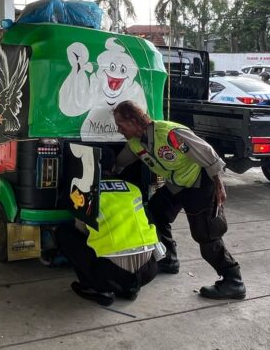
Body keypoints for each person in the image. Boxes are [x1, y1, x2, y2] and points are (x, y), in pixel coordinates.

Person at [111, 101, 246, 300]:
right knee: (156, 211)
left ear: (133, 121)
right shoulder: (135, 143)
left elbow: (206, 152)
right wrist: (107, 171)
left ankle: (233, 281)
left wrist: (218, 182)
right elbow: (120, 162)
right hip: (177, 184)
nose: (119, 130)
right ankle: (168, 259)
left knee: (206, 234)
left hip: (200, 182)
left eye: (120, 125)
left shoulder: (169, 133)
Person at [56, 179, 160, 306]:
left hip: (110, 274)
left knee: (64, 233)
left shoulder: (84, 191)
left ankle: (99, 290)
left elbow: (82, 233)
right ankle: (130, 288)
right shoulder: (132, 188)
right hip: (148, 271)